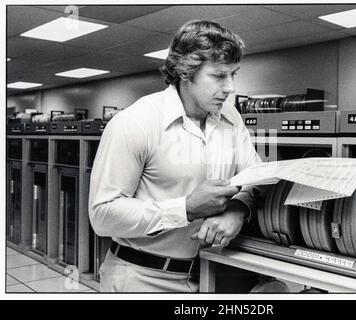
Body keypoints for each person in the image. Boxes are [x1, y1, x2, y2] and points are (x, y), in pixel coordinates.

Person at [88, 20, 261, 292]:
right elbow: (102, 214)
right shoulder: (135, 122)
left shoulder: (231, 117)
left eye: (233, 74)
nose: (230, 87)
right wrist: (186, 208)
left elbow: (255, 176)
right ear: (186, 71)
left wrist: (238, 210)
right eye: (218, 76)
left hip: (209, 274)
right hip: (142, 278)